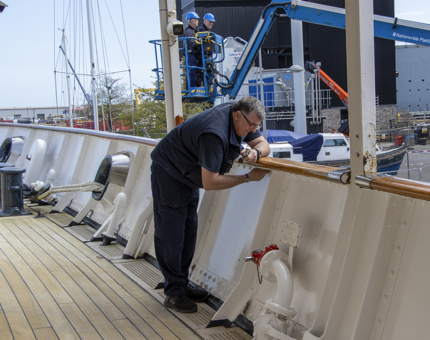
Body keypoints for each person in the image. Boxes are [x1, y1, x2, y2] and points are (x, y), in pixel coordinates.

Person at [151, 96, 270, 313]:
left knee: (188, 231)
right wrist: (248, 178)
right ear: (237, 116)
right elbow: (211, 181)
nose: (252, 130)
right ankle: (173, 293)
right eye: (250, 125)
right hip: (169, 173)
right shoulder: (214, 134)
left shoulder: (242, 116)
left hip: (187, 175)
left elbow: (263, 144)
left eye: (256, 126)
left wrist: (257, 152)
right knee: (171, 233)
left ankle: (182, 283)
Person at [183, 12, 201, 88]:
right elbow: (192, 43)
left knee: (196, 71)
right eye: (196, 20)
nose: (198, 21)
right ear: (192, 21)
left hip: (194, 56)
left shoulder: (195, 31)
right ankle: (191, 88)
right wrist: (201, 42)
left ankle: (195, 86)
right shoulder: (189, 32)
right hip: (191, 56)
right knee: (192, 72)